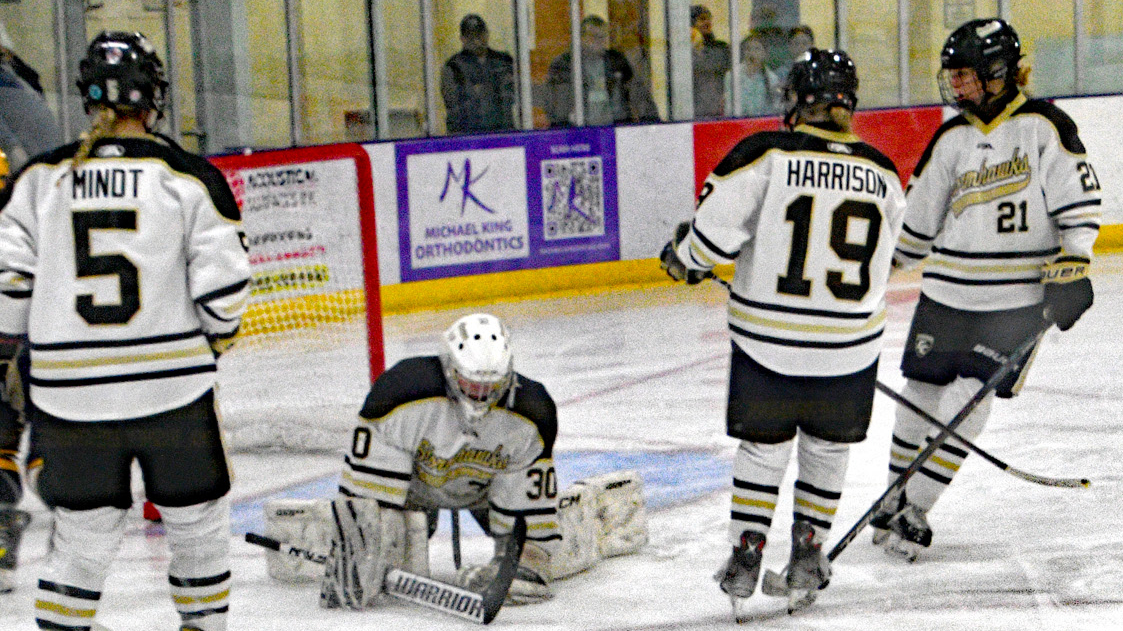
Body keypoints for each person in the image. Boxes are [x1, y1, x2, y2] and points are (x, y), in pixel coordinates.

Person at [0, 31, 251, 631]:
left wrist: (12, 355)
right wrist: (212, 339)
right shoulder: (187, 176)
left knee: (82, 535)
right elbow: (223, 292)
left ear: (90, 98)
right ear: (154, 96)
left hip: (69, 396)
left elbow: (8, 287)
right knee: (195, 524)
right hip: (172, 393)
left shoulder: (41, 178)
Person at [660, 49, 907, 614]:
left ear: (799, 100)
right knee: (827, 451)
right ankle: (807, 554)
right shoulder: (883, 172)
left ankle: (746, 554)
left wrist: (683, 256)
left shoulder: (764, 153)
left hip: (766, 343)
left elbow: (710, 243)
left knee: (763, 450)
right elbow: (894, 258)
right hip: (850, 350)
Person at [875, 18, 1099, 562]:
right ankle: (891, 496)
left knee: (967, 397)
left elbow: (1081, 208)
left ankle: (917, 507)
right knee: (922, 395)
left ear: (1000, 74)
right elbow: (916, 227)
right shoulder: (950, 137)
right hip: (947, 292)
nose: (958, 87)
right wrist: (869, 274)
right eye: (954, 77)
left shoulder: (1046, 127)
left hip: (1017, 299)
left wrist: (1076, 265)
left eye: (969, 77)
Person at [336, 312, 560, 605]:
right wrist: (359, 544)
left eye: (491, 387)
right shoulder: (400, 395)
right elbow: (366, 498)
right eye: (471, 384)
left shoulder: (532, 413)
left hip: (486, 494)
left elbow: (527, 506)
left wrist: (528, 553)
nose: (481, 396)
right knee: (377, 553)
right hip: (413, 493)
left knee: (530, 560)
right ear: (450, 370)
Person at [545, 15, 659, 127]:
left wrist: (653, 123)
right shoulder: (564, 64)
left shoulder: (617, 62)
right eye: (594, 36)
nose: (600, 40)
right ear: (581, 37)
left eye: (603, 36)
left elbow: (638, 93)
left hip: (615, 129)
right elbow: (554, 103)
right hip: (578, 133)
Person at [440, 14, 516, 135]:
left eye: (480, 35)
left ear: (487, 34)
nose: (477, 41)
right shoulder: (454, 67)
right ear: (462, 39)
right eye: (471, 36)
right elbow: (454, 106)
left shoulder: (503, 61)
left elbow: (512, 96)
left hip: (503, 134)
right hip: (467, 137)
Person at [690, 5, 731, 118]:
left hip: (719, 107)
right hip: (695, 110)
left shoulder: (721, 48)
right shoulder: (682, 54)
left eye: (709, 19)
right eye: (702, 19)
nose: (707, 22)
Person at [731, 31, 781, 117]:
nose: (752, 53)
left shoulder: (772, 78)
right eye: (748, 49)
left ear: (764, 53)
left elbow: (775, 109)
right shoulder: (733, 75)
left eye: (757, 49)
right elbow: (729, 108)